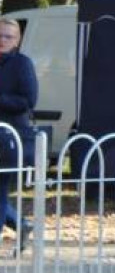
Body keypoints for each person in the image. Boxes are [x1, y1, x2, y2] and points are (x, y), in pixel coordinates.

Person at [0, 18, 37, 254]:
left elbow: (28, 101)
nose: (2, 40)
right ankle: (20, 224)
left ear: (18, 40)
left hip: (10, 139)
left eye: (8, 37)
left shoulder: (22, 64)